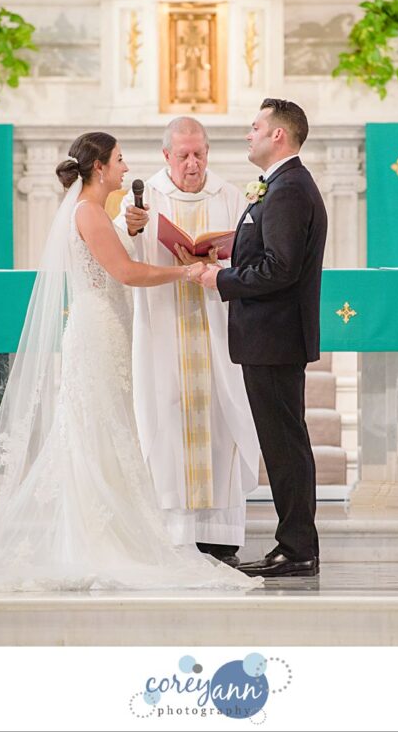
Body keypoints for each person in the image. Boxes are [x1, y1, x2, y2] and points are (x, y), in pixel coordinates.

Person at [0, 132, 260, 593]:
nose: (126, 169)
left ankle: (101, 533)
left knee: (102, 438)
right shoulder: (88, 213)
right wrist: (186, 270)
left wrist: (133, 233)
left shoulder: (95, 213)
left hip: (103, 331)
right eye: (119, 160)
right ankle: (99, 539)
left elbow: (118, 259)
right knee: (99, 437)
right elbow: (126, 273)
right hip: (98, 333)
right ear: (98, 168)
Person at [114, 117, 259, 567]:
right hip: (162, 330)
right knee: (167, 420)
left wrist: (224, 255)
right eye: (184, 156)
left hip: (217, 328)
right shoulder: (143, 201)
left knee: (221, 421)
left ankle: (220, 538)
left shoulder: (232, 196)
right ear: (165, 157)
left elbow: (251, 253)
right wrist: (134, 228)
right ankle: (174, 536)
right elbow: (120, 247)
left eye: (200, 153)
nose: (194, 164)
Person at [197, 98, 327, 578]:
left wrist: (221, 279)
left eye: (255, 127)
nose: (248, 133)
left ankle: (296, 549)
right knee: (283, 442)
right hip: (271, 335)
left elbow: (281, 268)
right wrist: (233, 245)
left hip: (273, 336)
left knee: (285, 444)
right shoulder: (280, 185)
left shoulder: (289, 188)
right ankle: (296, 545)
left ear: (279, 135)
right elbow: (273, 249)